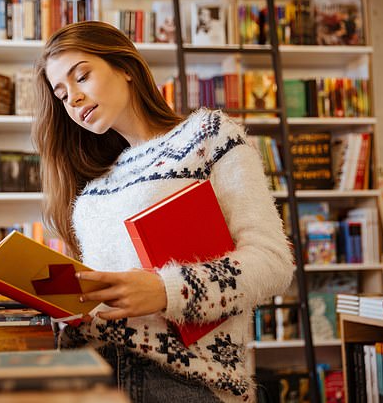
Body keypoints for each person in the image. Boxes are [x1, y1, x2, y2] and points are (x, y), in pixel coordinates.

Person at [33, 21, 294, 403]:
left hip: (177, 379)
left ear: (125, 67)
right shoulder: (94, 187)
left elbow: (272, 262)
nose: (72, 98)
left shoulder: (208, 135)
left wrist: (164, 290)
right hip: (89, 373)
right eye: (61, 94)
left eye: (82, 76)